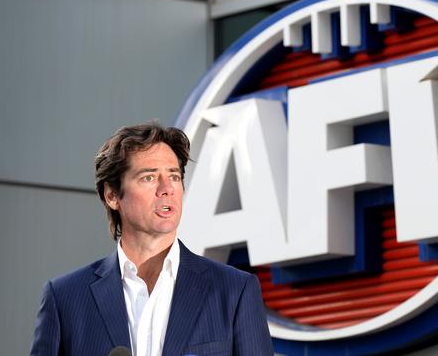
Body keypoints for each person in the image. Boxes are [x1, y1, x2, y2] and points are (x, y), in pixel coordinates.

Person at [30, 122, 273, 356]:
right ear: (113, 195)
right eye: (149, 177)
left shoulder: (234, 291)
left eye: (174, 176)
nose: (166, 188)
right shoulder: (65, 298)